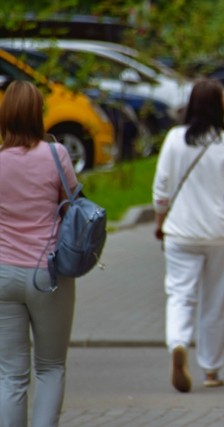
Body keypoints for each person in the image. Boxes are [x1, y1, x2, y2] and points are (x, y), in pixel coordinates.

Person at [152, 78, 224, 393]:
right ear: (222, 107)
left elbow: (161, 188)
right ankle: (211, 369)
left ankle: (178, 343)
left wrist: (160, 220)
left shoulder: (174, 139)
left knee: (180, 295)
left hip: (180, 232)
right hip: (220, 235)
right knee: (214, 302)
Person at [0, 80, 78, 426]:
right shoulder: (56, 154)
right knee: (50, 366)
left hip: (3, 274)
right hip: (47, 274)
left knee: (10, 375)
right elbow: (73, 203)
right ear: (38, 115)